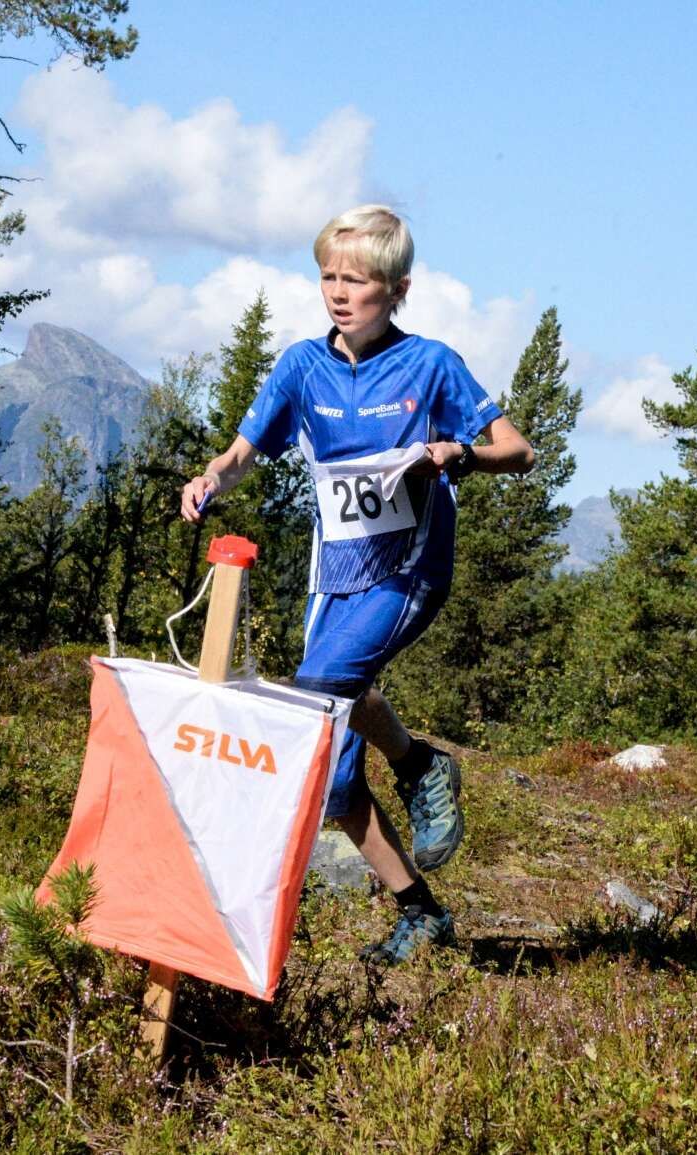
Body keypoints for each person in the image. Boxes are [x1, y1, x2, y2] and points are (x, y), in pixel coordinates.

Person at [180, 205, 534, 964]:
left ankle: (415, 765)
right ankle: (420, 903)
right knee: (334, 775)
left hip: (409, 569)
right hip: (334, 574)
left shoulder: (430, 364)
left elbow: (519, 450)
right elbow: (243, 454)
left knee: (318, 691)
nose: (339, 293)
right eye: (328, 277)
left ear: (397, 289)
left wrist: (459, 455)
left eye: (358, 281)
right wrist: (211, 478)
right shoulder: (301, 366)